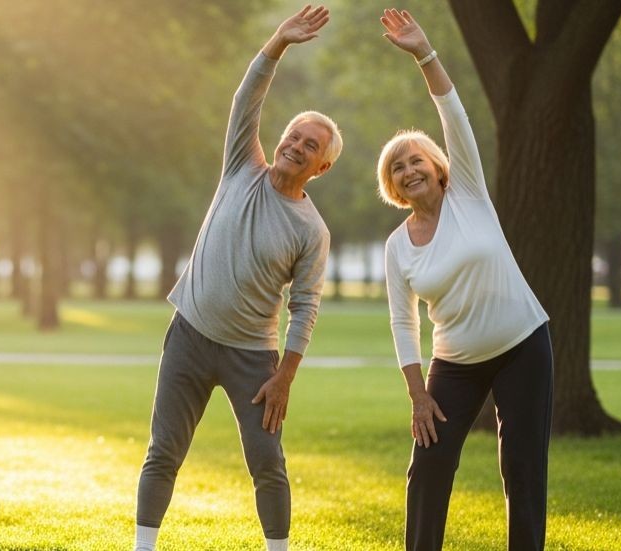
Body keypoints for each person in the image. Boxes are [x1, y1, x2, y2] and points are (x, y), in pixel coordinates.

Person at [134, 6, 341, 551]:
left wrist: (285, 376)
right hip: (189, 336)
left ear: (321, 167)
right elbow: (244, 100)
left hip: (253, 357)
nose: (296, 145)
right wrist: (278, 42)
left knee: (268, 465)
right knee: (163, 451)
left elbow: (306, 306)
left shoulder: (311, 231)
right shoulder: (240, 168)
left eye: (310, 146)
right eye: (294, 135)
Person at [376, 8, 554, 551]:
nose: (409, 170)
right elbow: (402, 324)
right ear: (395, 188)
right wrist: (417, 395)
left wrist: (424, 54)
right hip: (453, 364)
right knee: (428, 467)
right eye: (397, 169)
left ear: (436, 164)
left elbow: (453, 113)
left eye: (415, 160)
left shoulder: (468, 194)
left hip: (522, 345)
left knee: (521, 469)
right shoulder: (397, 245)